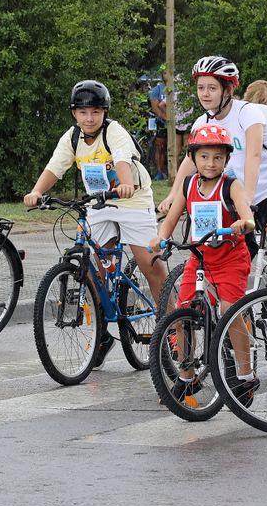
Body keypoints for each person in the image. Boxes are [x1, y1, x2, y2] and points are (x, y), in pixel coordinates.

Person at [24, 80, 168, 365]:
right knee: (89, 268)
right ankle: (102, 332)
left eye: (95, 112)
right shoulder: (72, 138)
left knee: (150, 264)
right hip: (98, 202)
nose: (89, 118)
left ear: (104, 113)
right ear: (74, 114)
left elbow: (122, 160)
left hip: (131, 199)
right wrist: (37, 192)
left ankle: (173, 327)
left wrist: (125, 184)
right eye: (83, 112)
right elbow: (55, 167)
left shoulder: (114, 132)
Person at [163, 56, 267, 280]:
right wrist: (172, 194)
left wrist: (248, 198)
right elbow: (189, 162)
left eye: (212, 88)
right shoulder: (202, 123)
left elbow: (253, 156)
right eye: (201, 87)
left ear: (227, 90)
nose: (205, 94)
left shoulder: (247, 113)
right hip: (235, 198)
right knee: (223, 264)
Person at [149, 123, 257, 404]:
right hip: (199, 259)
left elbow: (246, 214)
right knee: (182, 315)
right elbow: (172, 217)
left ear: (227, 160)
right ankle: (187, 376)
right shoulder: (188, 185)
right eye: (205, 157)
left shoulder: (231, 185)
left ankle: (245, 375)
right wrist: (161, 237)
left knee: (229, 311)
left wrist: (243, 223)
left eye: (218, 157)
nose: (211, 163)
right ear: (193, 157)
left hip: (231, 259)